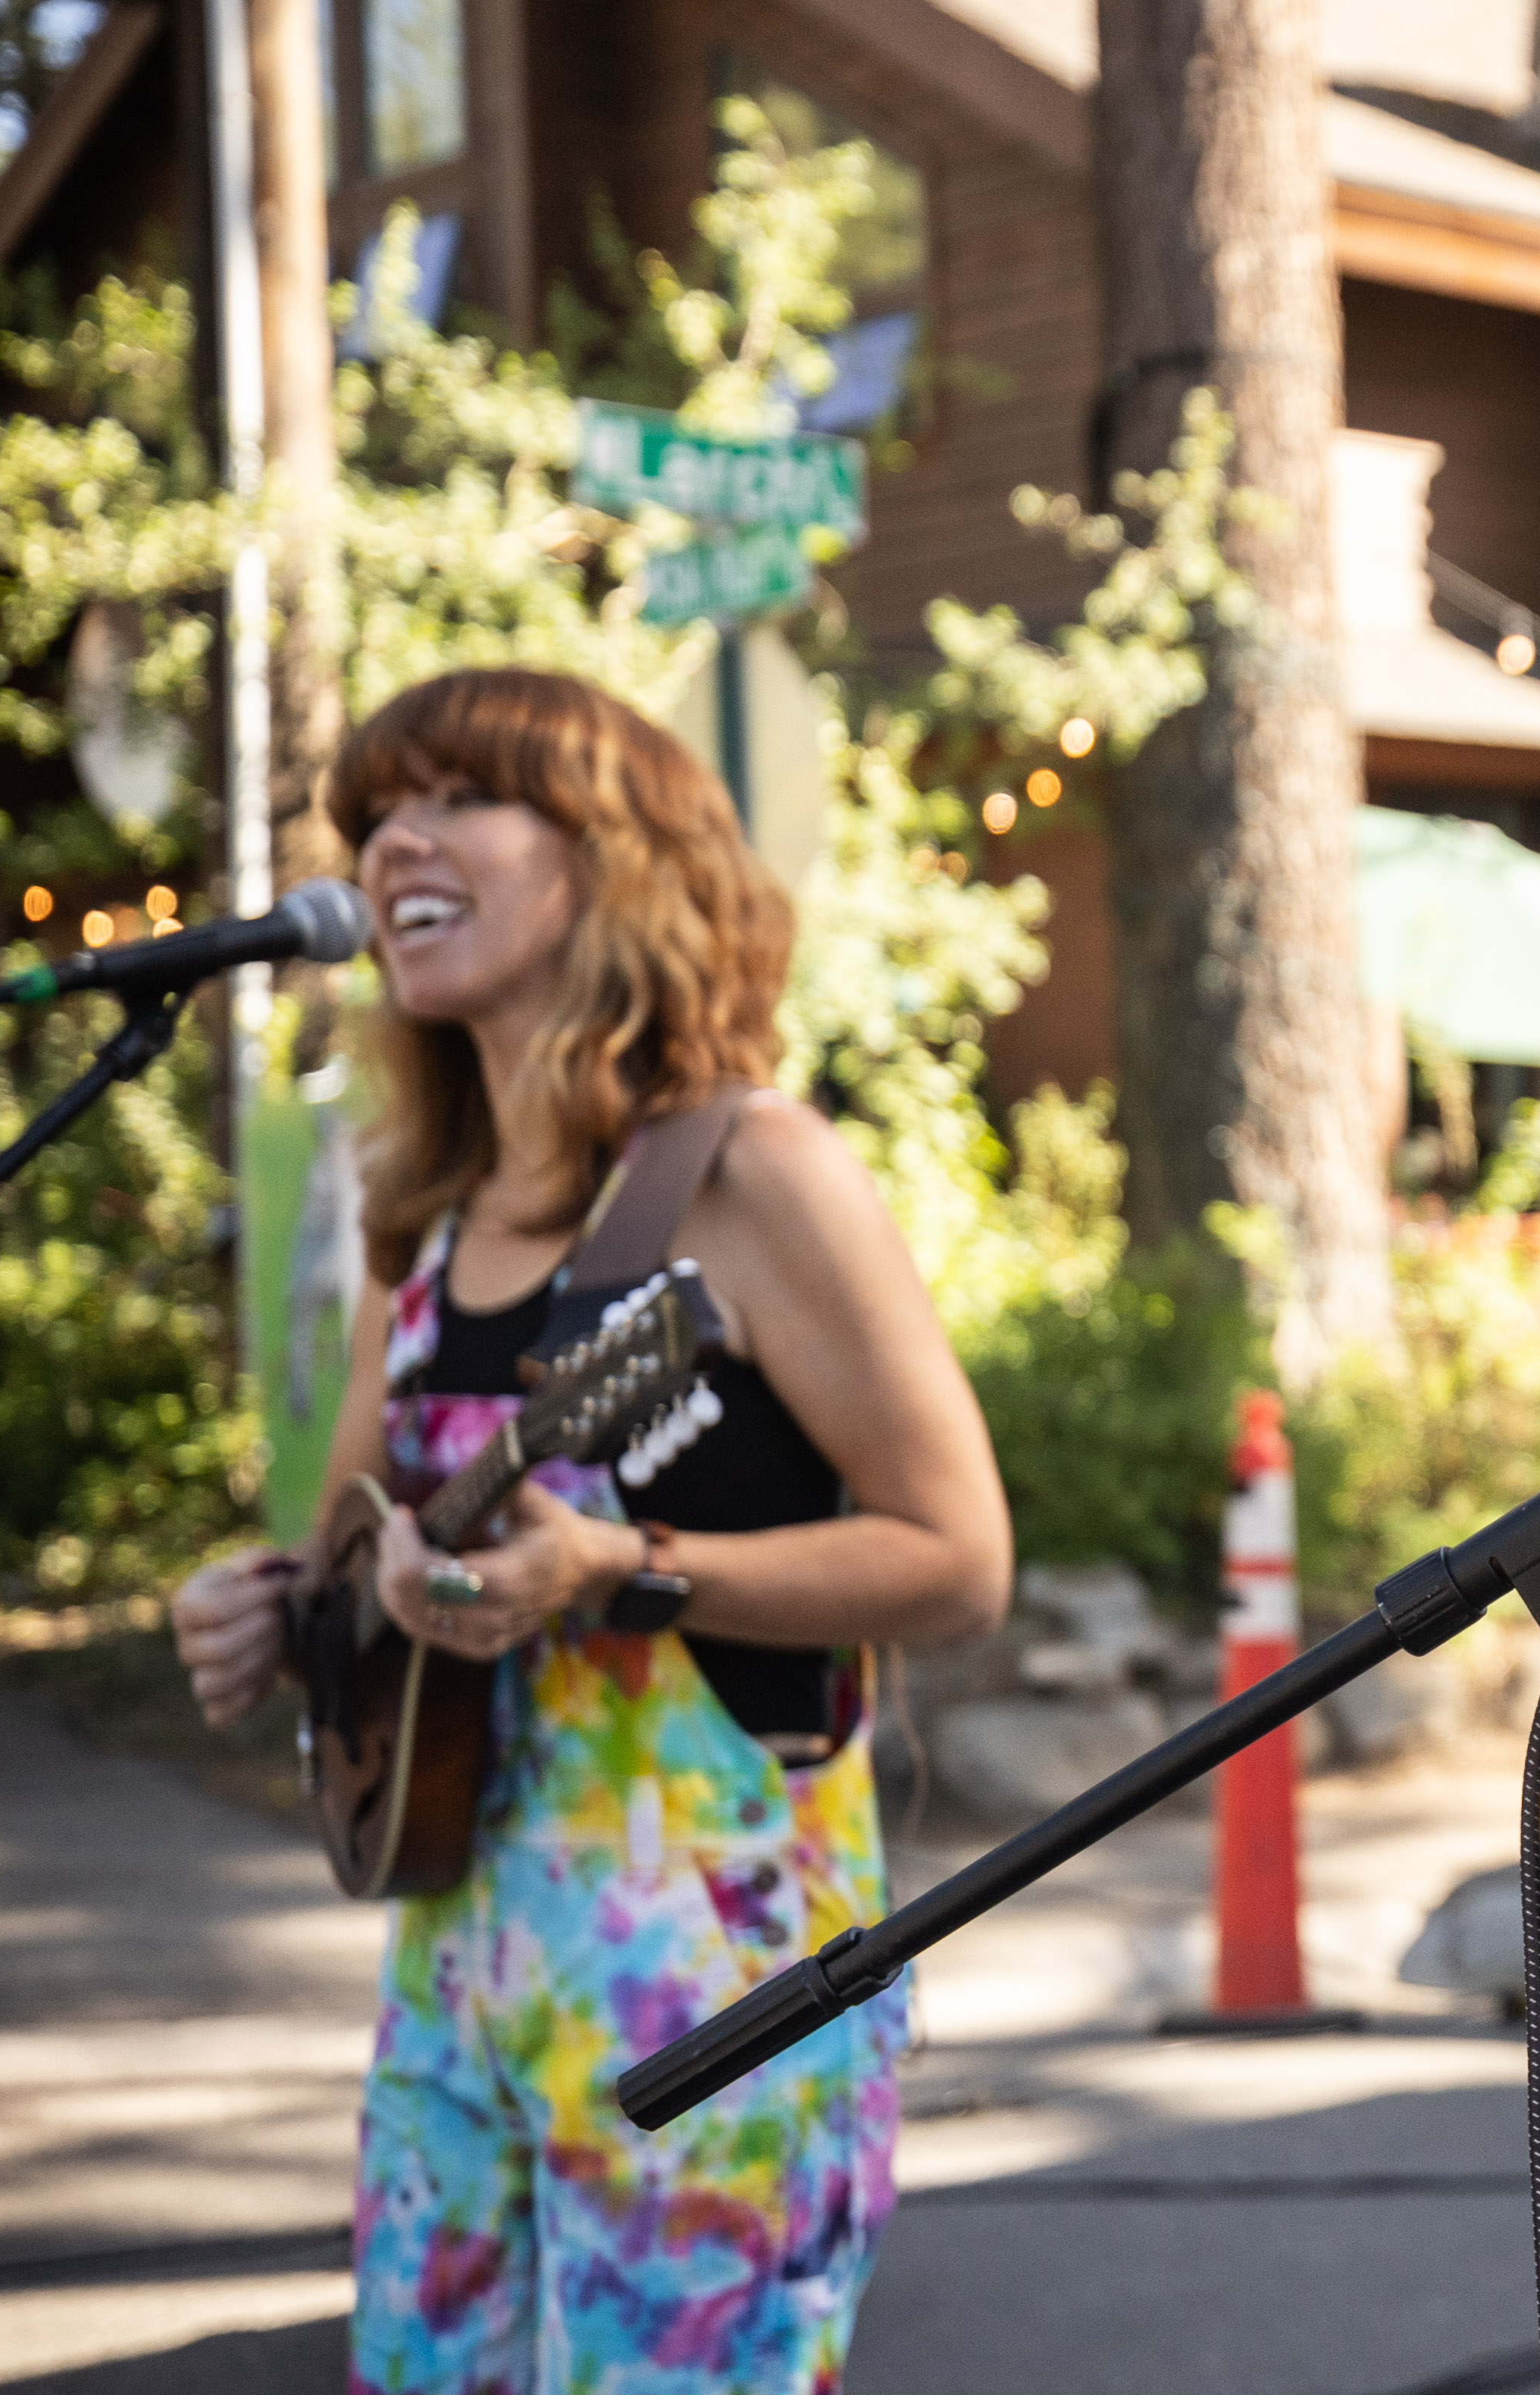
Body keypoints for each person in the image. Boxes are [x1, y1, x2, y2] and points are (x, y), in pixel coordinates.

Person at [170, 668, 1011, 2393]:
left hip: (710, 1985)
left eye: (459, 798)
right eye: (373, 816)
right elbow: (359, 1542)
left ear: (611, 859)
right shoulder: (427, 1221)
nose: (395, 838)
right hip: (454, 1973)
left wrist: (627, 1565)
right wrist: (274, 1605)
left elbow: (959, 1555)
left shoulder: (753, 1172)